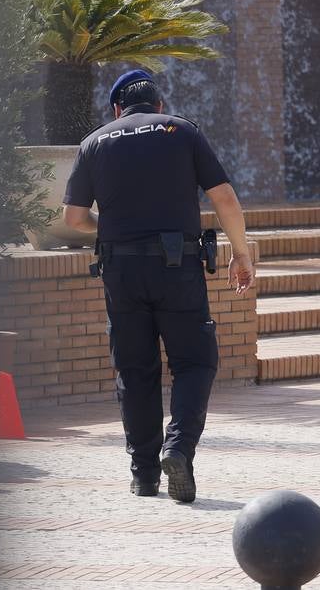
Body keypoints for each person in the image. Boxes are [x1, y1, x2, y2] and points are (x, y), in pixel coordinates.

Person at [62, 69, 255, 504]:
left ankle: (144, 476)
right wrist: (240, 253)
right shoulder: (181, 131)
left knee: (135, 370)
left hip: (121, 271)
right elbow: (224, 197)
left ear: (117, 109)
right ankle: (178, 448)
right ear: (159, 105)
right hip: (176, 267)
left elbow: (73, 218)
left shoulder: (94, 142)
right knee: (195, 361)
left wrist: (112, 228)